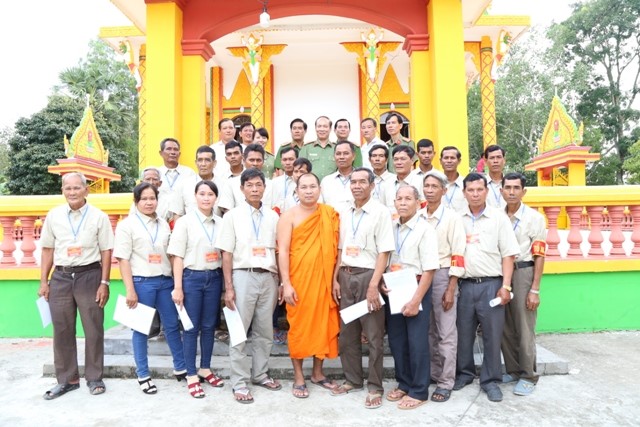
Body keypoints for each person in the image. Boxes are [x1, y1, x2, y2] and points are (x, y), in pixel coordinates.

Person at [39, 172, 114, 400]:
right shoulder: (54, 216)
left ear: (86, 190)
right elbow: (48, 250)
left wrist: (104, 282)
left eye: (76, 188)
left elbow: (106, 251)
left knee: (93, 328)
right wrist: (44, 280)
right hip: (61, 278)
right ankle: (67, 380)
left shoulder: (98, 217)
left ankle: (94, 377)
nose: (72, 192)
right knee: (61, 330)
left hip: (89, 275)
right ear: (63, 190)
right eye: (67, 188)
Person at [215, 168, 282, 404]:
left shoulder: (274, 217)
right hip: (243, 276)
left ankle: (260, 374)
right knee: (239, 331)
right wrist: (229, 287)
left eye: (259, 185)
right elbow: (226, 254)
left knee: (264, 331)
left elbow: (280, 251)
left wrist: (281, 281)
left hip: (269, 277)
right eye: (250, 185)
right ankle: (240, 382)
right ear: (242, 188)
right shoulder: (231, 216)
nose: (255, 189)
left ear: (265, 187)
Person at [114, 182, 186, 394]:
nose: (148, 202)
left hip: (165, 282)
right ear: (136, 202)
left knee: (172, 326)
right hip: (142, 282)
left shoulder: (163, 224)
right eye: (144, 199)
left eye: (152, 198)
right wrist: (130, 290)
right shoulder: (127, 225)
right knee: (141, 330)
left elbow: (170, 254)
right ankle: (143, 374)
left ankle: (180, 367)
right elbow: (123, 259)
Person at [331, 168, 395, 409]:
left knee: (374, 335)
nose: (357, 186)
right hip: (346, 276)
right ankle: (352, 380)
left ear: (372, 185)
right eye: (353, 182)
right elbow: (339, 249)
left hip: (369, 275)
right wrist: (335, 278)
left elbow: (384, 252)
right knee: (347, 333)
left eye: (362, 182)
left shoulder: (380, 212)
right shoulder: (344, 211)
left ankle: (375, 385)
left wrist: (374, 284)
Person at [453, 173, 519, 402]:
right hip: (465, 285)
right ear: (464, 193)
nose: (475, 194)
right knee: (463, 333)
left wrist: (506, 287)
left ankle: (491, 380)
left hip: (492, 285)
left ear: (486, 191)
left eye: (479, 190)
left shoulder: (498, 218)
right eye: (470, 190)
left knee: (492, 335)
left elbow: (509, 254)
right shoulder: (456, 218)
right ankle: (464, 373)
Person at [277, 173, 340, 398]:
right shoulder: (289, 216)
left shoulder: (329, 214)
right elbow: (282, 251)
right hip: (299, 282)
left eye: (313, 186)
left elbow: (336, 249)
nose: (309, 191)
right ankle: (298, 377)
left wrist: (334, 279)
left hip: (323, 281)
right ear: (297, 190)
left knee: (323, 326)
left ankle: (318, 373)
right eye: (304, 187)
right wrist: (286, 284)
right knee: (300, 329)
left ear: (319, 189)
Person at [382, 185, 439, 410]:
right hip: (394, 287)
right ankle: (404, 383)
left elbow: (430, 269)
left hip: (415, 287)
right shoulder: (392, 227)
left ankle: (419, 390)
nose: (403, 202)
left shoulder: (425, 229)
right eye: (399, 198)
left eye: (408, 198)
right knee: (397, 340)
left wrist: (416, 300)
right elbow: (386, 258)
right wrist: (382, 283)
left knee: (417, 342)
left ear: (418, 202)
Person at [167, 180, 225, 398]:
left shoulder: (221, 223)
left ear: (216, 198)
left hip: (214, 277)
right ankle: (191, 374)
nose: (206, 198)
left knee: (209, 326)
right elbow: (177, 256)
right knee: (190, 328)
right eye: (202, 193)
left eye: (210, 194)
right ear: (195, 196)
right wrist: (178, 287)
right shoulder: (185, 222)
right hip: (192, 278)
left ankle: (205, 368)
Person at [500, 172, 547, 396]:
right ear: (501, 191)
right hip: (500, 275)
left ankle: (529, 375)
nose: (511, 192)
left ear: (523, 191)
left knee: (524, 327)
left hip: (523, 273)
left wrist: (534, 289)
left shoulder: (534, 218)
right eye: (507, 187)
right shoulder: (497, 216)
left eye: (516, 188)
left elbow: (539, 256)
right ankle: (512, 369)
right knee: (505, 326)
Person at [421, 170, 466, 403]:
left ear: (444, 190)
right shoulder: (418, 215)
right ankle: (434, 373)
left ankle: (446, 381)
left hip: (442, 275)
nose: (429, 190)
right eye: (426, 186)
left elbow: (458, 254)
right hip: (421, 277)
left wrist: (451, 286)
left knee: (446, 332)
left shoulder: (452, 218)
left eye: (434, 186)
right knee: (428, 330)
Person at [168, 146, 223, 220]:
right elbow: (177, 213)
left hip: (216, 229)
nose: (203, 164)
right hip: (190, 229)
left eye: (207, 160)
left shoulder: (223, 185)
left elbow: (227, 213)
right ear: (196, 162)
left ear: (214, 163)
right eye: (200, 160)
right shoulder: (184, 184)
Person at [218, 143, 273, 213]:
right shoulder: (231, 184)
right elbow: (227, 211)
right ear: (244, 160)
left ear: (263, 162)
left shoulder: (271, 185)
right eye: (251, 160)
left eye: (258, 160)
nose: (255, 163)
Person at [156, 138, 197, 221]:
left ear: (179, 153)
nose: (173, 152)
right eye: (169, 149)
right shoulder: (156, 174)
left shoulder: (189, 173)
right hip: (159, 220)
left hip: (183, 219)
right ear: (161, 153)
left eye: (176, 149)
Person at [320, 140, 356, 211]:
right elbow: (321, 207)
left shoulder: (362, 179)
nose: (341, 157)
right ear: (334, 156)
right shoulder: (326, 181)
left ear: (353, 156)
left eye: (346, 153)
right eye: (338, 154)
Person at [298, 116, 336, 181]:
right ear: (315, 128)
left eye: (325, 126)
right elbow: (300, 169)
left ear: (330, 129)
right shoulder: (306, 148)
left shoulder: (336, 148)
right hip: (311, 186)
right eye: (319, 126)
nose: (322, 129)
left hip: (332, 186)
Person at [440, 146, 467, 213]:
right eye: (446, 158)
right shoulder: (435, 184)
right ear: (440, 161)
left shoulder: (466, 184)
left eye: (452, 158)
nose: (449, 161)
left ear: (459, 161)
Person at [271, 146, 298, 213]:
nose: (287, 163)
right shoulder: (274, 182)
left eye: (291, 159)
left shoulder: (302, 182)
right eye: (284, 160)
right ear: (281, 161)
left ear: (297, 160)